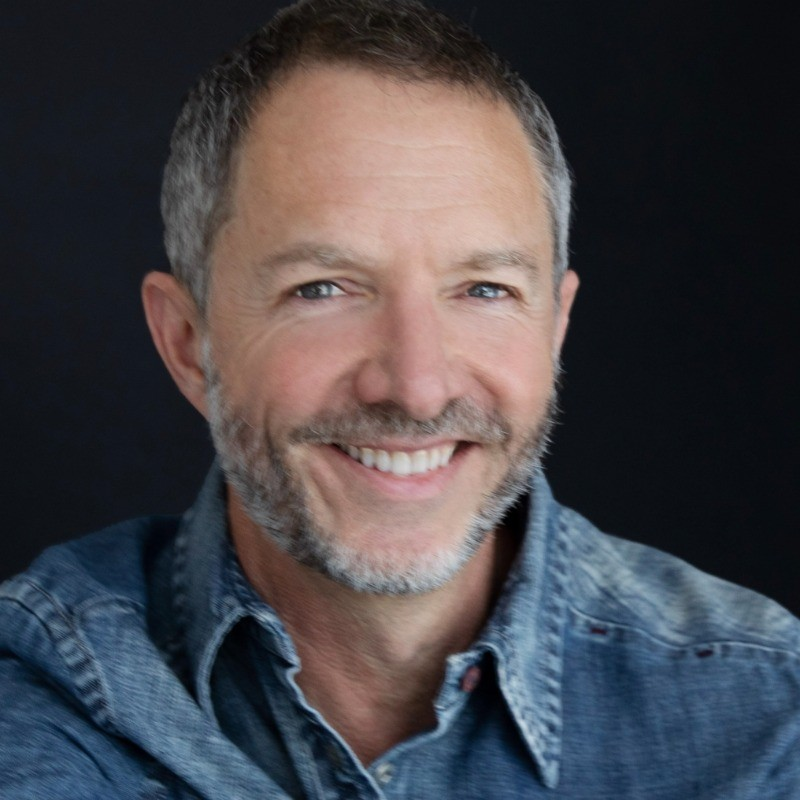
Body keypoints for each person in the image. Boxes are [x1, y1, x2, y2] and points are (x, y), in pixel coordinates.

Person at [1, 0, 798, 796]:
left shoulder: (766, 716)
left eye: (484, 289)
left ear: (554, 329)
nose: (417, 389)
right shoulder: (48, 692)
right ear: (187, 342)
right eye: (323, 288)